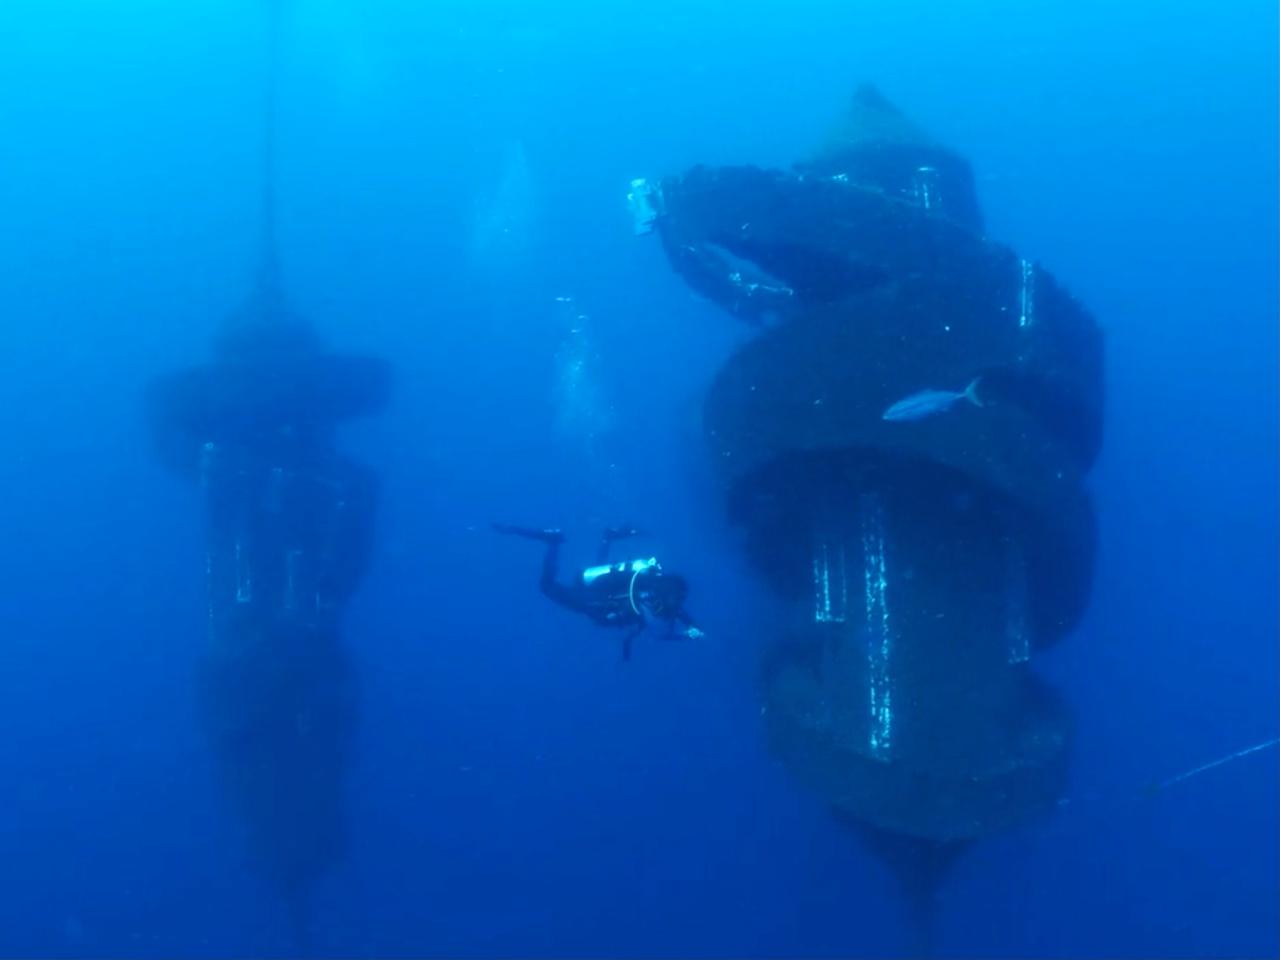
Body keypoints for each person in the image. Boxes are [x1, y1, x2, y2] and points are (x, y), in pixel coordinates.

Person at [493, 523, 704, 660]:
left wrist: (692, 625)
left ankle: (606, 538)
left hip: (600, 590)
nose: (678, 603)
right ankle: (553, 542)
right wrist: (686, 635)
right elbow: (661, 634)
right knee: (547, 587)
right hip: (593, 601)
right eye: (677, 598)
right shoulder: (652, 598)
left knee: (592, 577)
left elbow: (675, 612)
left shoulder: (657, 591)